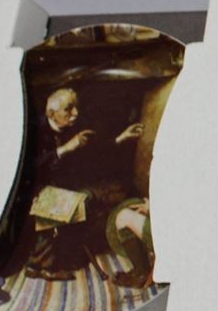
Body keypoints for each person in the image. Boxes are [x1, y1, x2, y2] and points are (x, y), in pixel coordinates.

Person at [21, 86, 153, 288]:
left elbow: (95, 149)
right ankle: (41, 265)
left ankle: (66, 252)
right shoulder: (34, 131)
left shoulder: (73, 126)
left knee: (103, 195)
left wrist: (121, 138)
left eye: (76, 107)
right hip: (35, 190)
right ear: (52, 114)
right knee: (56, 209)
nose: (75, 113)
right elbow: (29, 168)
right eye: (68, 109)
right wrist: (65, 149)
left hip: (65, 188)